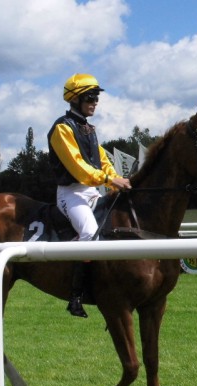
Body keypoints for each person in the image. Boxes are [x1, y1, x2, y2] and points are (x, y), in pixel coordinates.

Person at [48, 73, 131, 318]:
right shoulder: (62, 128)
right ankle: (75, 296)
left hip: (92, 191)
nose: (95, 101)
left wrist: (116, 180)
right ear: (75, 99)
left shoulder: (88, 128)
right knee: (88, 233)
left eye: (96, 97)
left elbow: (102, 159)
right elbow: (77, 167)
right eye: (90, 97)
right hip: (71, 194)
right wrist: (108, 180)